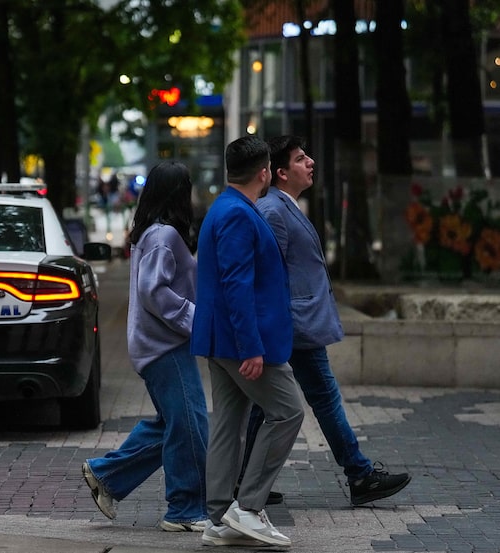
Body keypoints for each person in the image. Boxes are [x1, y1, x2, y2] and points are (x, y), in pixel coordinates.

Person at [242, 135, 411, 506]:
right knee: (324, 399)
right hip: (294, 326)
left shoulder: (286, 207)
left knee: (266, 404)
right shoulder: (274, 211)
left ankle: (244, 480)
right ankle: (360, 474)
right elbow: (267, 274)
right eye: (302, 159)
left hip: (293, 324)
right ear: (282, 173)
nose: (311, 162)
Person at [82, 161, 209, 532]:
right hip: (164, 346)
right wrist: (195, 318)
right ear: (178, 193)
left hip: (158, 344)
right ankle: (185, 509)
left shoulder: (151, 233)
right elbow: (154, 293)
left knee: (174, 423)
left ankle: (106, 476)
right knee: (190, 424)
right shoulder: (163, 235)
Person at [191, 135, 305, 549]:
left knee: (228, 425)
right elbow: (237, 284)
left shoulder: (222, 208)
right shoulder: (239, 213)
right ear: (263, 173)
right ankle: (247, 508)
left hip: (220, 339)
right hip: (242, 343)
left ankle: (220, 518)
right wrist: (251, 346)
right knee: (289, 412)